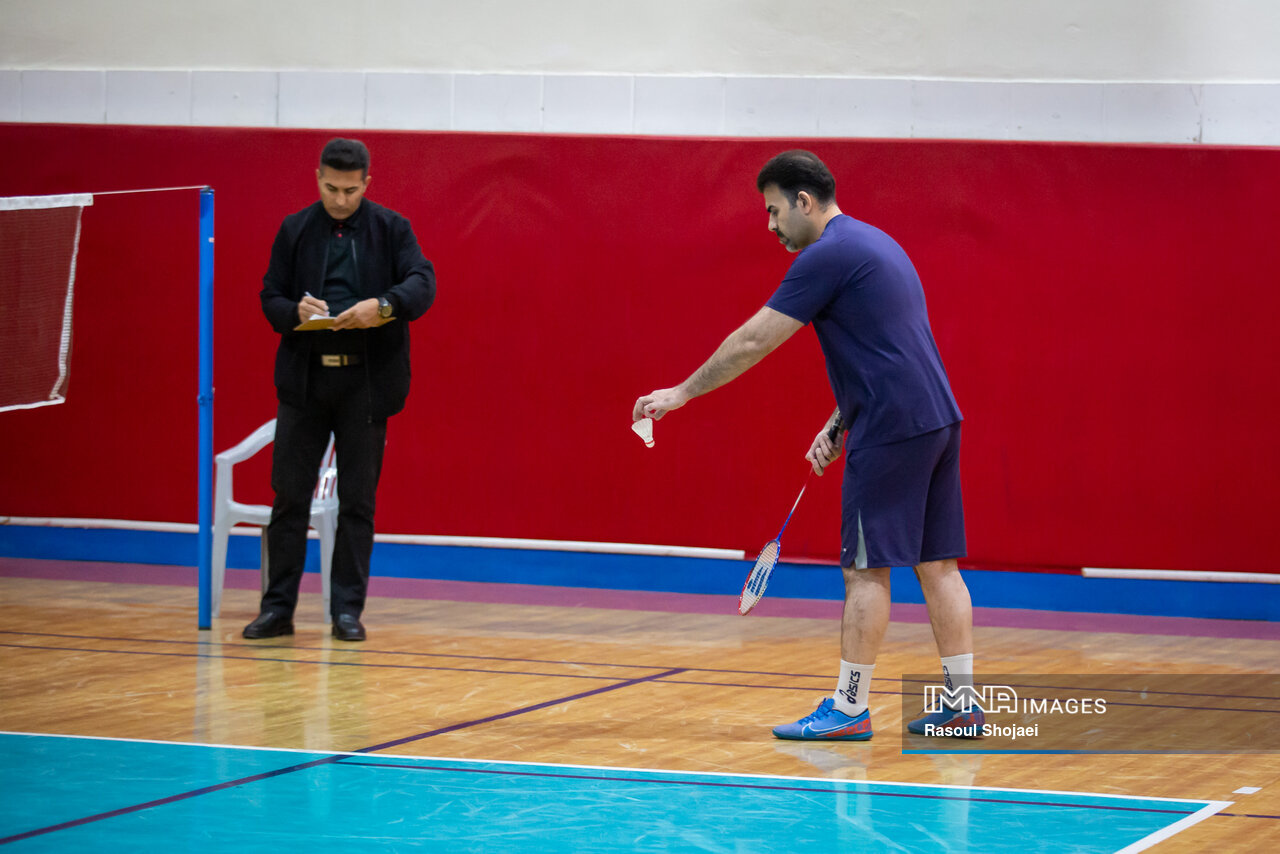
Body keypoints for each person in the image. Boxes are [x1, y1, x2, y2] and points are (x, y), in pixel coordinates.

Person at [633, 150, 980, 740]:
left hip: (892, 428)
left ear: (804, 201)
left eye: (774, 211)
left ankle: (849, 709)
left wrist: (682, 392)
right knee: (938, 565)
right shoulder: (877, 243)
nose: (770, 225)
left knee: (864, 570)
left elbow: (753, 341)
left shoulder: (826, 254)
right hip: (936, 419)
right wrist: (840, 421)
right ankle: (963, 707)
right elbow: (892, 350)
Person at [244, 137, 436, 642]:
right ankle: (277, 609)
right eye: (331, 188)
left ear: (366, 183)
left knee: (357, 502)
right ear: (318, 178)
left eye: (351, 190)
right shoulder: (294, 229)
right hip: (306, 382)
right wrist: (294, 312)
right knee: (288, 498)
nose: (340, 199)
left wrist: (384, 306)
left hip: (365, 385)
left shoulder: (392, 228)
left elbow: (423, 283)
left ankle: (346, 612)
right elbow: (269, 297)